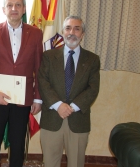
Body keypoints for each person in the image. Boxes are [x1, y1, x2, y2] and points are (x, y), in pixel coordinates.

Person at [0, 0, 43, 167]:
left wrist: (38, 97)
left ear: (24, 9)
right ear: (3, 9)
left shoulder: (36, 34)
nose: (13, 8)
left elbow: (39, 68)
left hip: (23, 98)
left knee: (18, 143)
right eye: (10, 5)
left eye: (18, 5)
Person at [38, 15, 100, 167]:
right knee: (50, 163)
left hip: (78, 118)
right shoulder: (48, 56)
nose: (72, 32)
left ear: (82, 34)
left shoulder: (92, 59)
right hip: (52, 117)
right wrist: (59, 105)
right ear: (63, 32)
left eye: (77, 29)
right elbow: (43, 82)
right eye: (68, 28)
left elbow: (93, 88)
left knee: (76, 164)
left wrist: (71, 107)